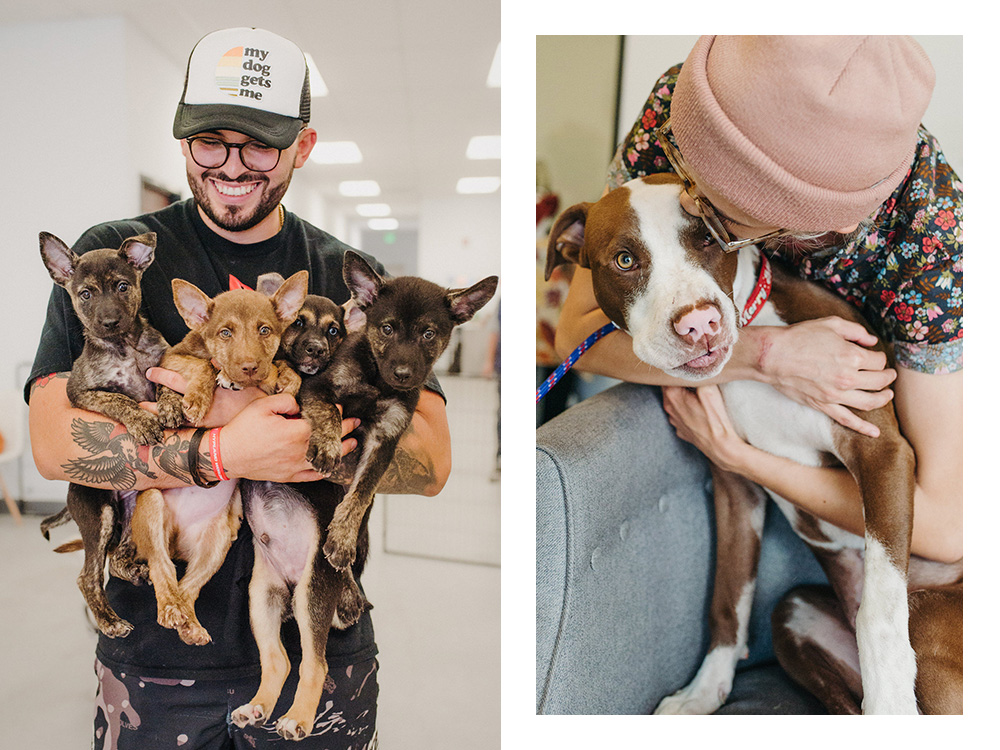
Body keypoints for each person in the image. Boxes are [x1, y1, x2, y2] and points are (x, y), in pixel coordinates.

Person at [27, 27, 450, 749]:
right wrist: (220, 450)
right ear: (181, 137)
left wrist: (289, 443)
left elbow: (432, 458)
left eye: (258, 144)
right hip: (156, 659)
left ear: (302, 146)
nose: (232, 165)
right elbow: (50, 439)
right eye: (209, 141)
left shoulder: (345, 270)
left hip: (321, 639)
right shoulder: (119, 257)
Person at [555, 36, 962, 564]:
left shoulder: (932, 239)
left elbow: (948, 527)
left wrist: (740, 459)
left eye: (715, 214)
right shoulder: (686, 111)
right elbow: (576, 337)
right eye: (690, 163)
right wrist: (766, 356)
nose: (685, 193)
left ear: (821, 219)